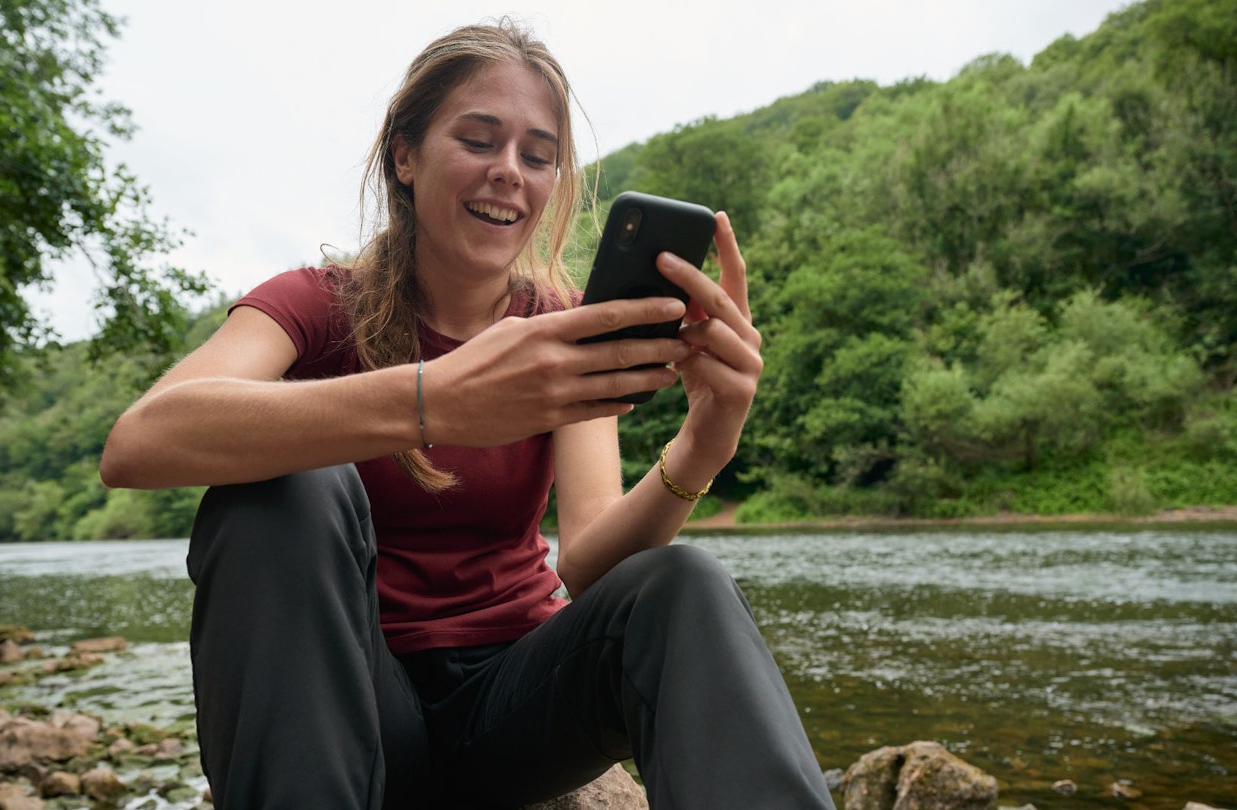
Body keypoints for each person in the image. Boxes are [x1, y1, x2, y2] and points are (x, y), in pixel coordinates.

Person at [100, 19, 832, 810]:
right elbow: (140, 442)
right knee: (283, 486)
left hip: (512, 710)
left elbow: (588, 564)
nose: (509, 172)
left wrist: (702, 448)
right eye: (479, 140)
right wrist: (430, 399)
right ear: (405, 156)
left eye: (537, 154)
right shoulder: (313, 305)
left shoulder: (561, 326)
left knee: (684, 583)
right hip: (346, 706)